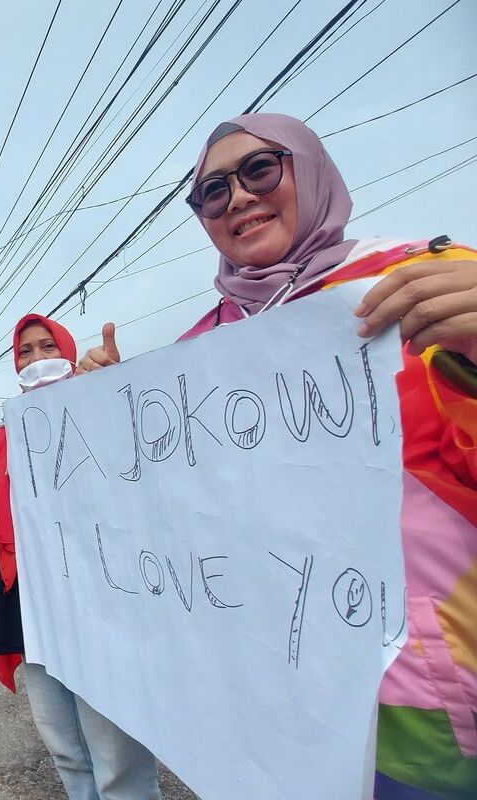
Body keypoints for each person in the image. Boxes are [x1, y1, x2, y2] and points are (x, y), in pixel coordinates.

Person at [80, 113, 476, 800]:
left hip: (415, 703)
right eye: (212, 191)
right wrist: (107, 417)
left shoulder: (422, 286)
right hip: (257, 698)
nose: (237, 197)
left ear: (311, 170)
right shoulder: (198, 351)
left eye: (260, 169)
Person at [0, 313, 161, 800]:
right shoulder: (9, 433)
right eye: (25, 351)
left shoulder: (103, 404)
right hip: (29, 602)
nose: (36, 357)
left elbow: (142, 473)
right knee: (64, 746)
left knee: (115, 750)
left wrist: (113, 390)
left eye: (47, 346)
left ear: (68, 351)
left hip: (98, 599)